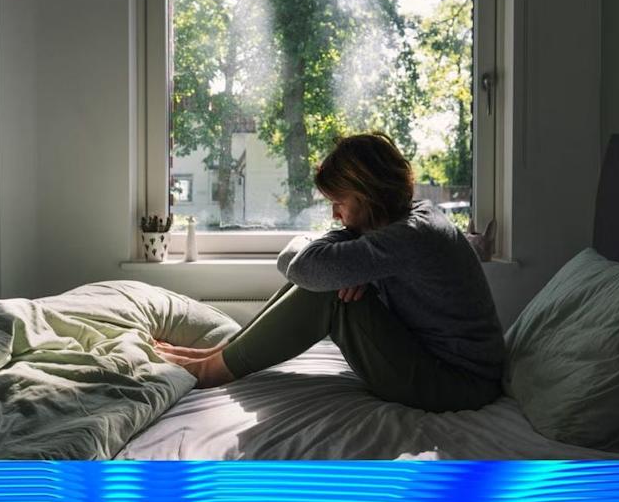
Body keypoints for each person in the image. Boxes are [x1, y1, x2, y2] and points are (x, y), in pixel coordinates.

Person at [155, 132, 505, 412]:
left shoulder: (410, 235)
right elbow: (302, 264)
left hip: (457, 384)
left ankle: (211, 371)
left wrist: (335, 263)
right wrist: (347, 267)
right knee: (331, 278)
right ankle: (217, 356)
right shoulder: (401, 224)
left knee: (332, 295)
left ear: (369, 195)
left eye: (340, 203)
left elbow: (302, 267)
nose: (336, 215)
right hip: (442, 366)